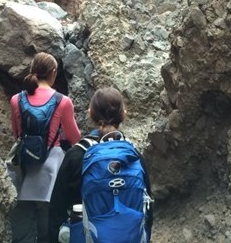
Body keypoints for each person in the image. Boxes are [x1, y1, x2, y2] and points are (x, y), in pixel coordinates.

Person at [48, 87, 154, 243]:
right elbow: (148, 208)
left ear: (90, 113)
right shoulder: (133, 156)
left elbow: (56, 210)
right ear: (124, 114)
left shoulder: (76, 155)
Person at [10, 52, 82, 243]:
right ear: (53, 72)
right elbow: (75, 138)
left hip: (25, 165)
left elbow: (17, 134)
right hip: (51, 167)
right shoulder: (62, 101)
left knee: (23, 223)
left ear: (32, 71)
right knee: (47, 223)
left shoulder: (16, 99)